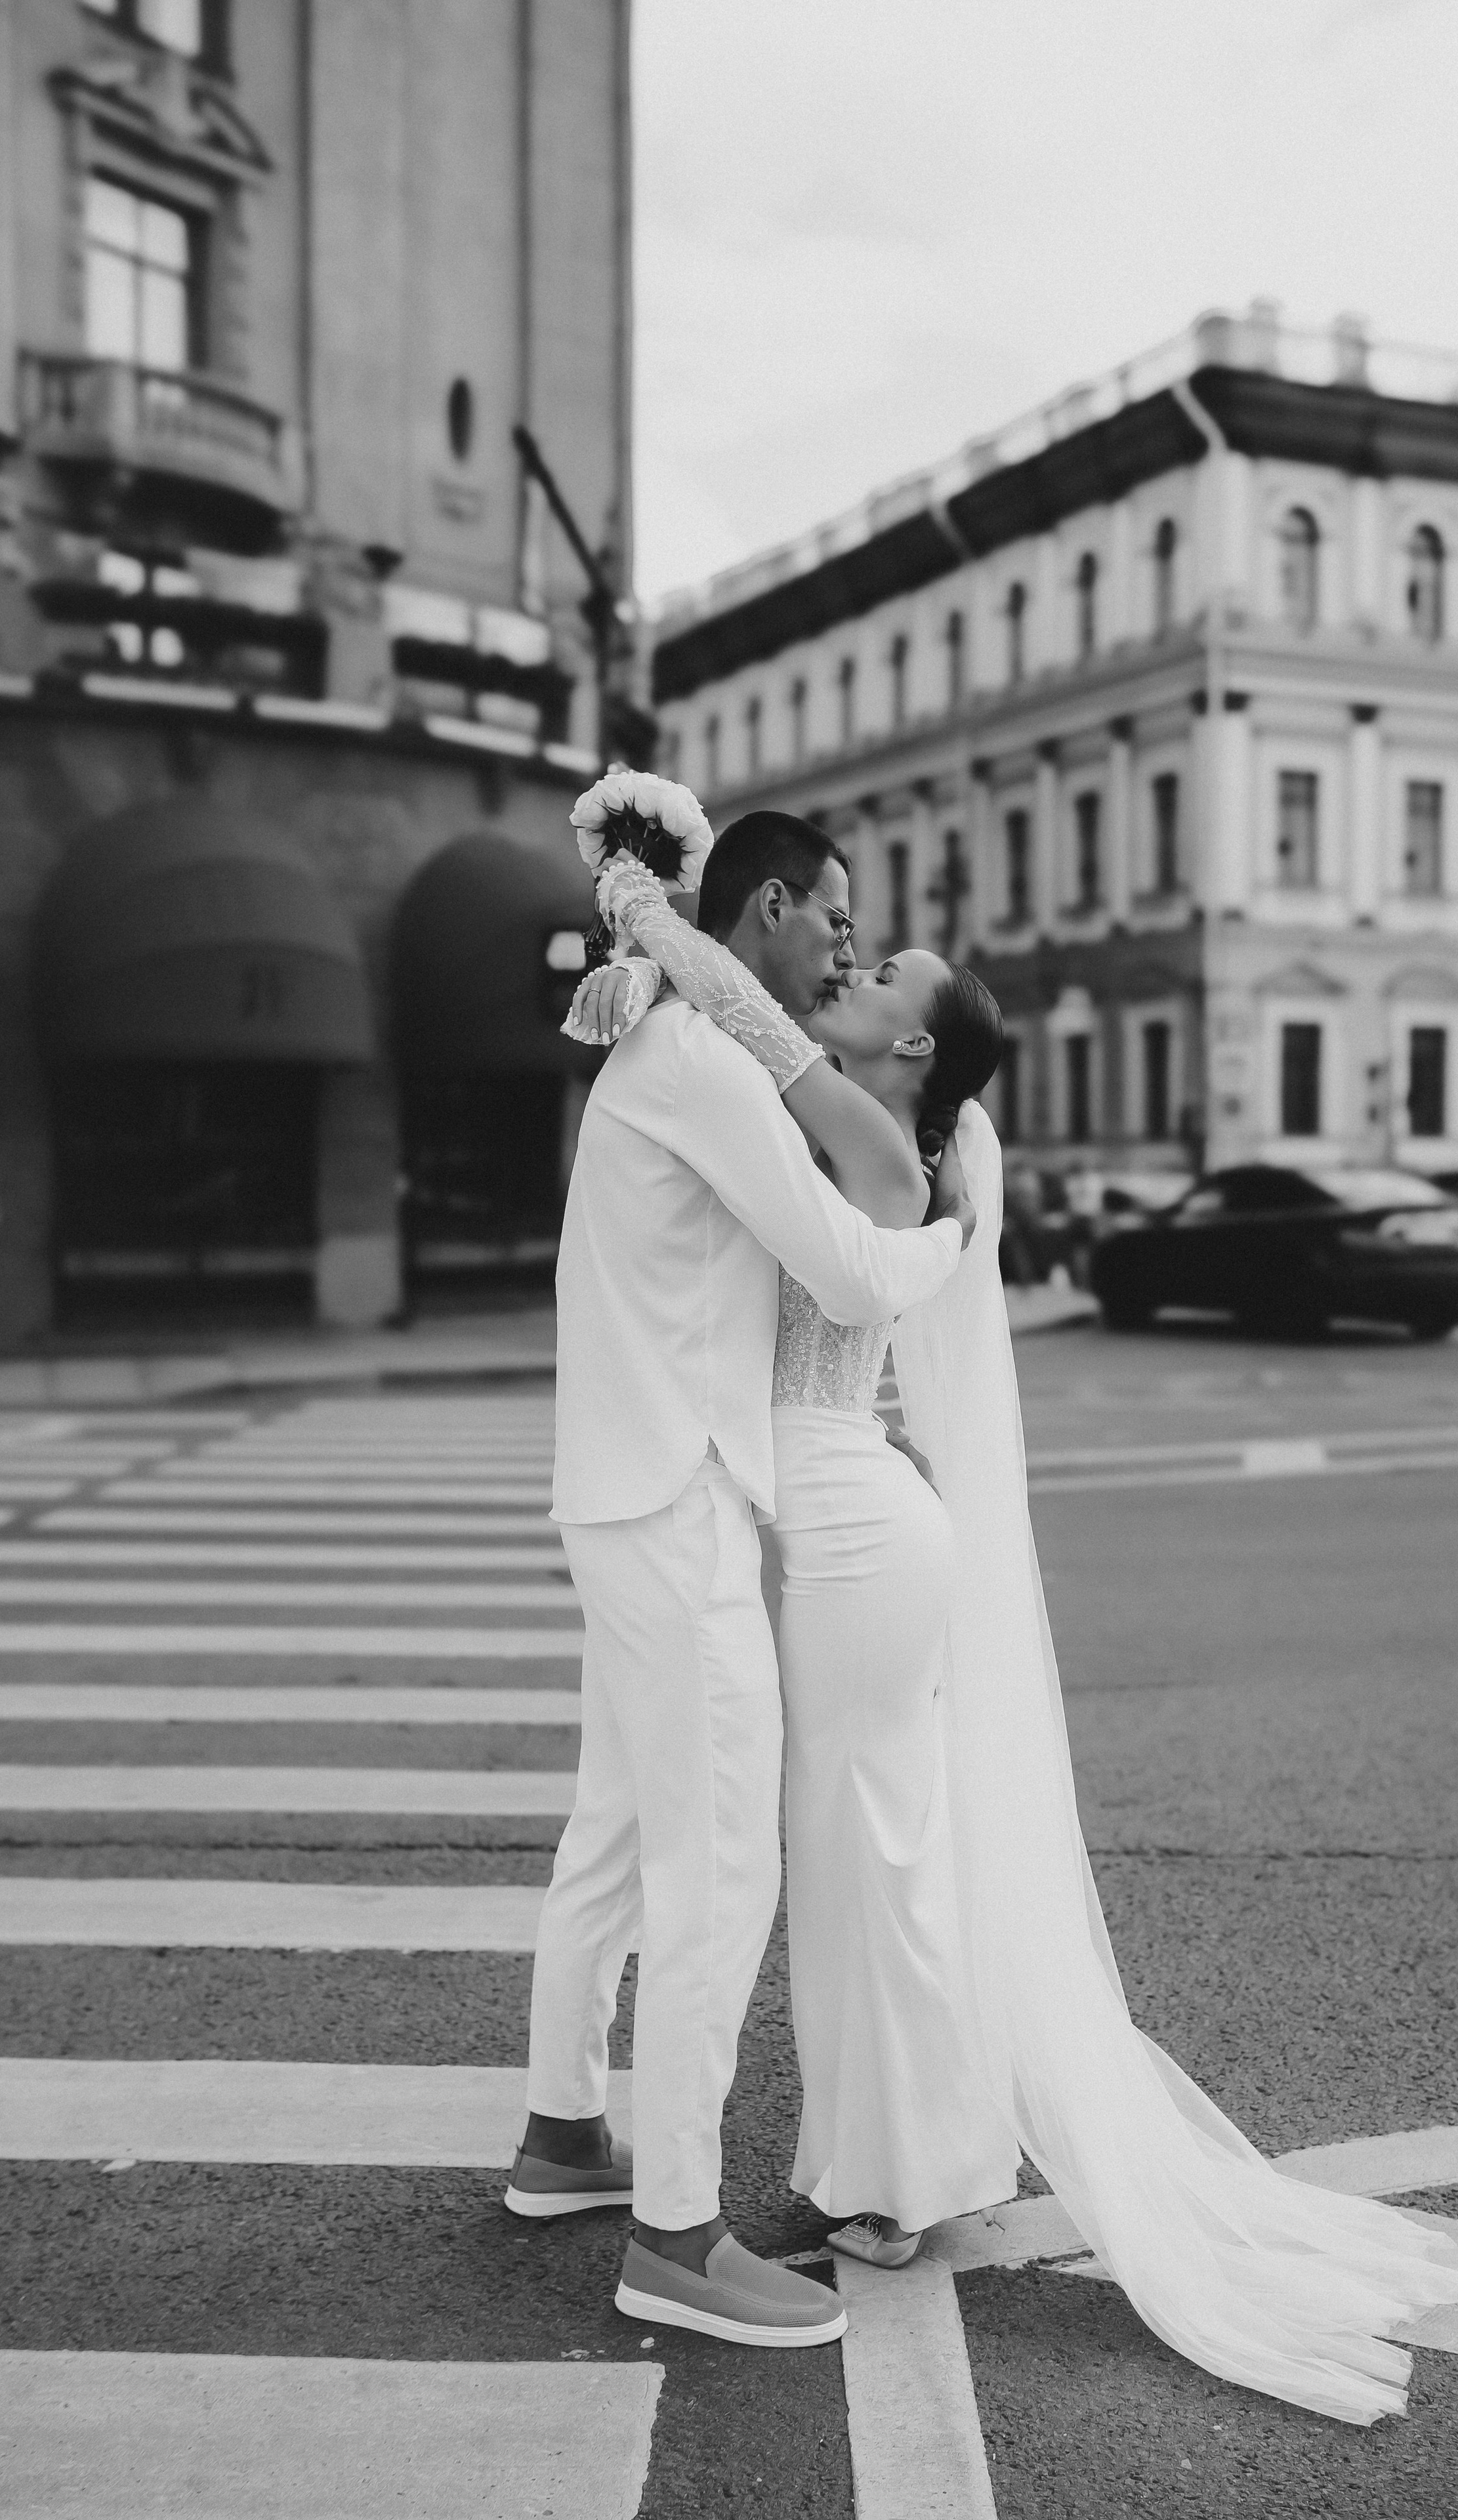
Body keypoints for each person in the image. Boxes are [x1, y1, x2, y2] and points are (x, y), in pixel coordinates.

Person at [577, 852, 1458, 2426]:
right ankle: (892, 2165)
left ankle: (900, 2174)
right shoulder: (869, 1129)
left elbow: (797, 1113)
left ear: (912, 1052)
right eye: (852, 966)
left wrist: (659, 926)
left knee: (867, 1855)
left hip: (854, 1529)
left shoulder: (885, 1160)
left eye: (879, 986)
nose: (849, 985)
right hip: (854, 1522)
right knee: (874, 1852)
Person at [510, 810, 975, 2351]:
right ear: (764, 907)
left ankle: (564, 2135)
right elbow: (848, 1270)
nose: (842, 944)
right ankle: (676, 2236)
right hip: (682, 1493)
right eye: (831, 918)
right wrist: (953, 1250)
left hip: (621, 1487)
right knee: (720, 1865)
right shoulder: (708, 1063)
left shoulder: (657, 1035)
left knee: (621, 1825)